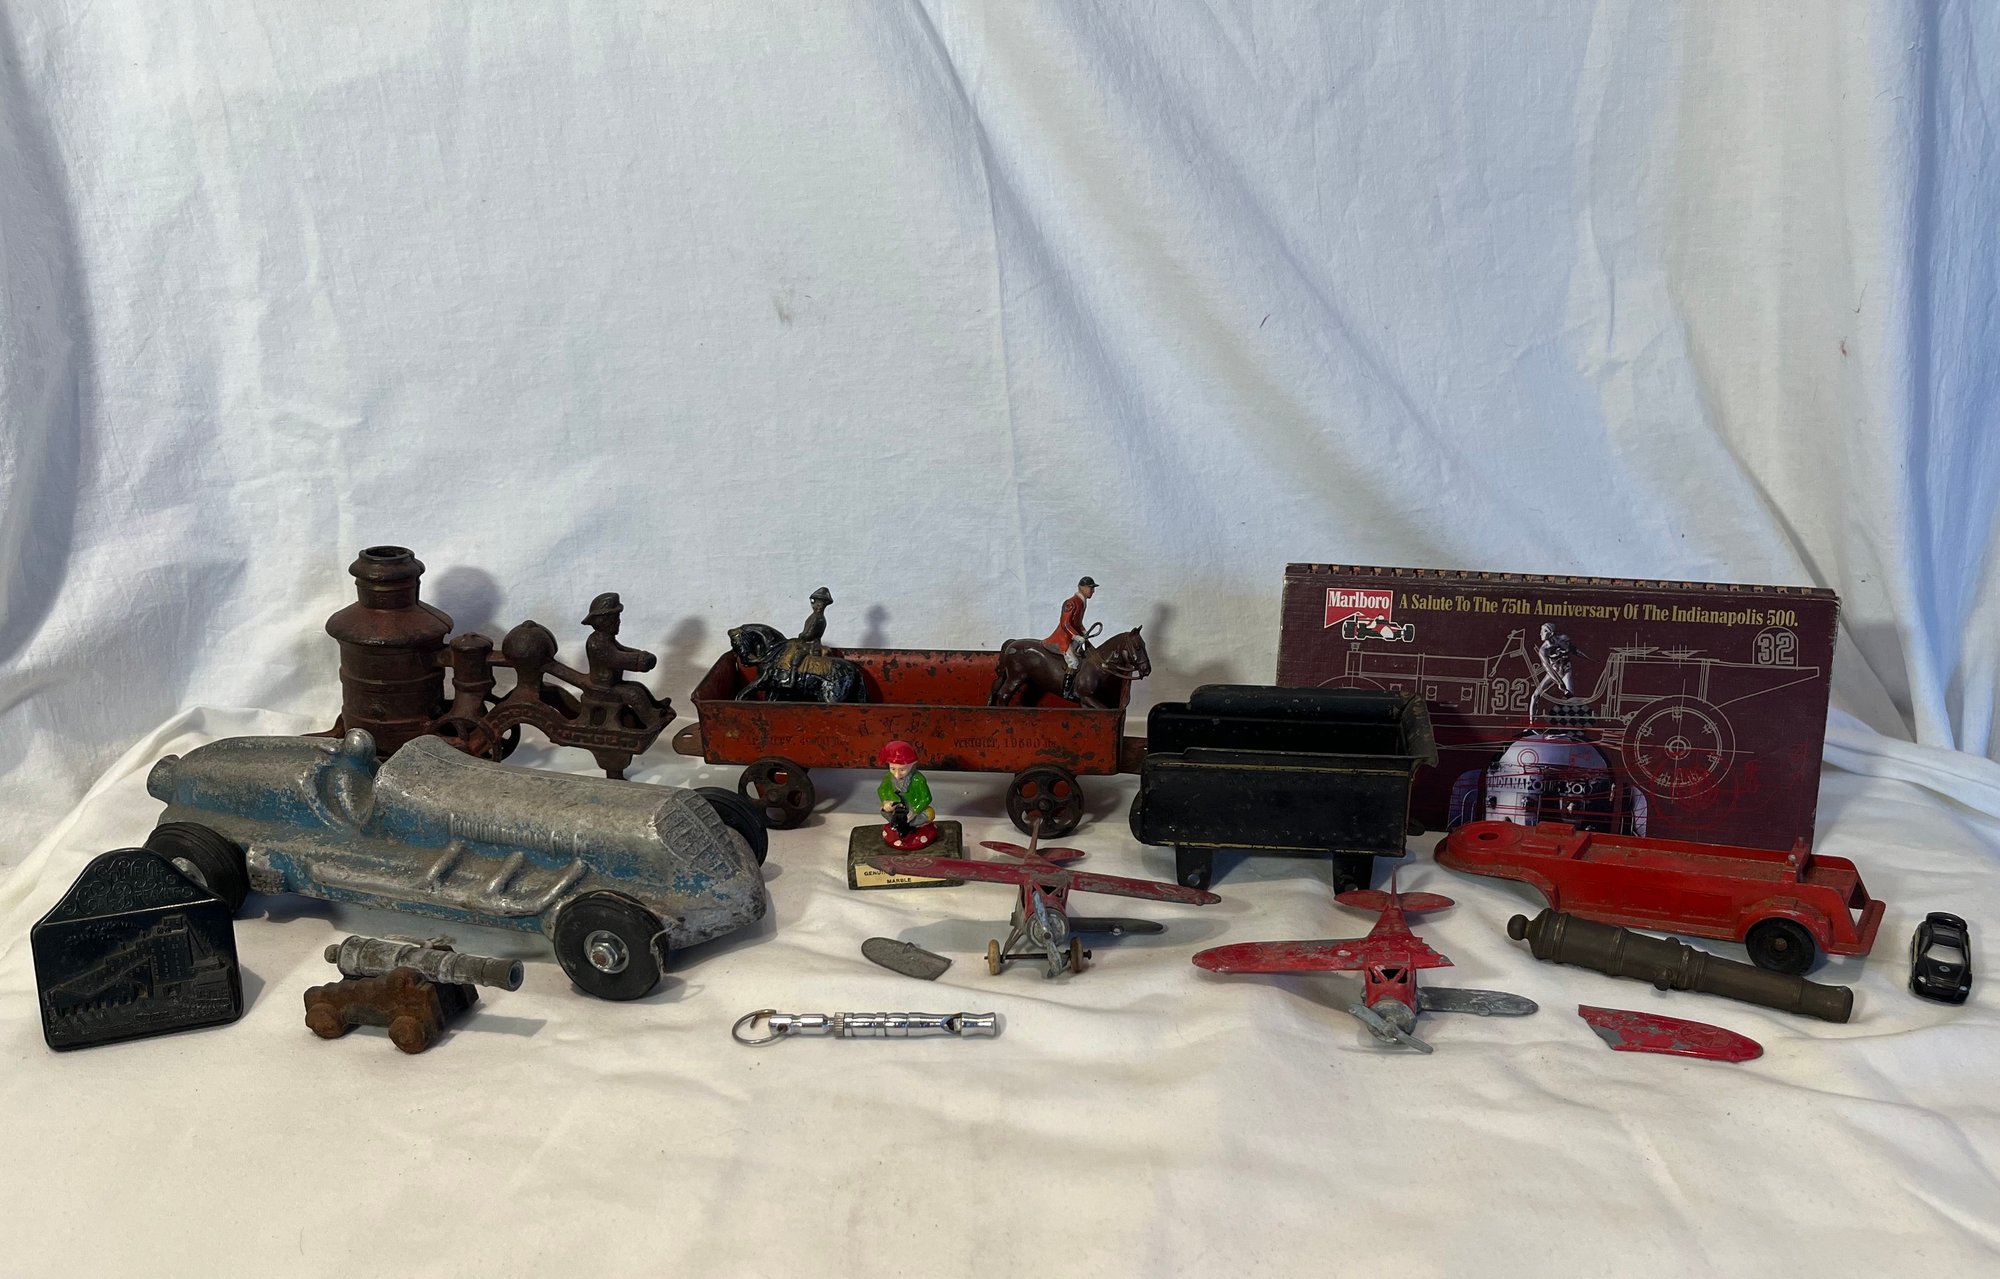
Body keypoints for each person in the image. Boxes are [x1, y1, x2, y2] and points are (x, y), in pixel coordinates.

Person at [580, 592, 661, 724]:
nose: (618, 621)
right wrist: (641, 661)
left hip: (612, 683)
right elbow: (617, 658)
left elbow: (622, 649)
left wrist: (641, 654)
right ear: (602, 621)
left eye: (617, 617)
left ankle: (656, 707)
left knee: (639, 687)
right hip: (602, 687)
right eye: (614, 618)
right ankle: (651, 719)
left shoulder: (606, 639)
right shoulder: (597, 644)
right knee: (634, 694)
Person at [876, 739, 937, 849]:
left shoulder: (918, 779)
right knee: (883, 810)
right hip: (897, 808)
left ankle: (911, 827)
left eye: (902, 770)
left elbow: (926, 798)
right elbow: (882, 790)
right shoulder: (888, 777)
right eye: (892, 769)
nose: (897, 774)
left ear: (912, 765)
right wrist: (886, 801)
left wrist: (914, 811)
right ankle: (897, 825)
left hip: (913, 809)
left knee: (929, 813)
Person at [1044, 576, 1097, 700]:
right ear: (1081, 588)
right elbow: (1065, 624)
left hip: (1072, 637)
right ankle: (1066, 692)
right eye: (1090, 588)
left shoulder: (1082, 602)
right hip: (1063, 638)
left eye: (1093, 588)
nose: (1093, 591)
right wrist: (1075, 636)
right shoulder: (1071, 603)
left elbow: (1077, 622)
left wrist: (1084, 631)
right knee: (1073, 662)